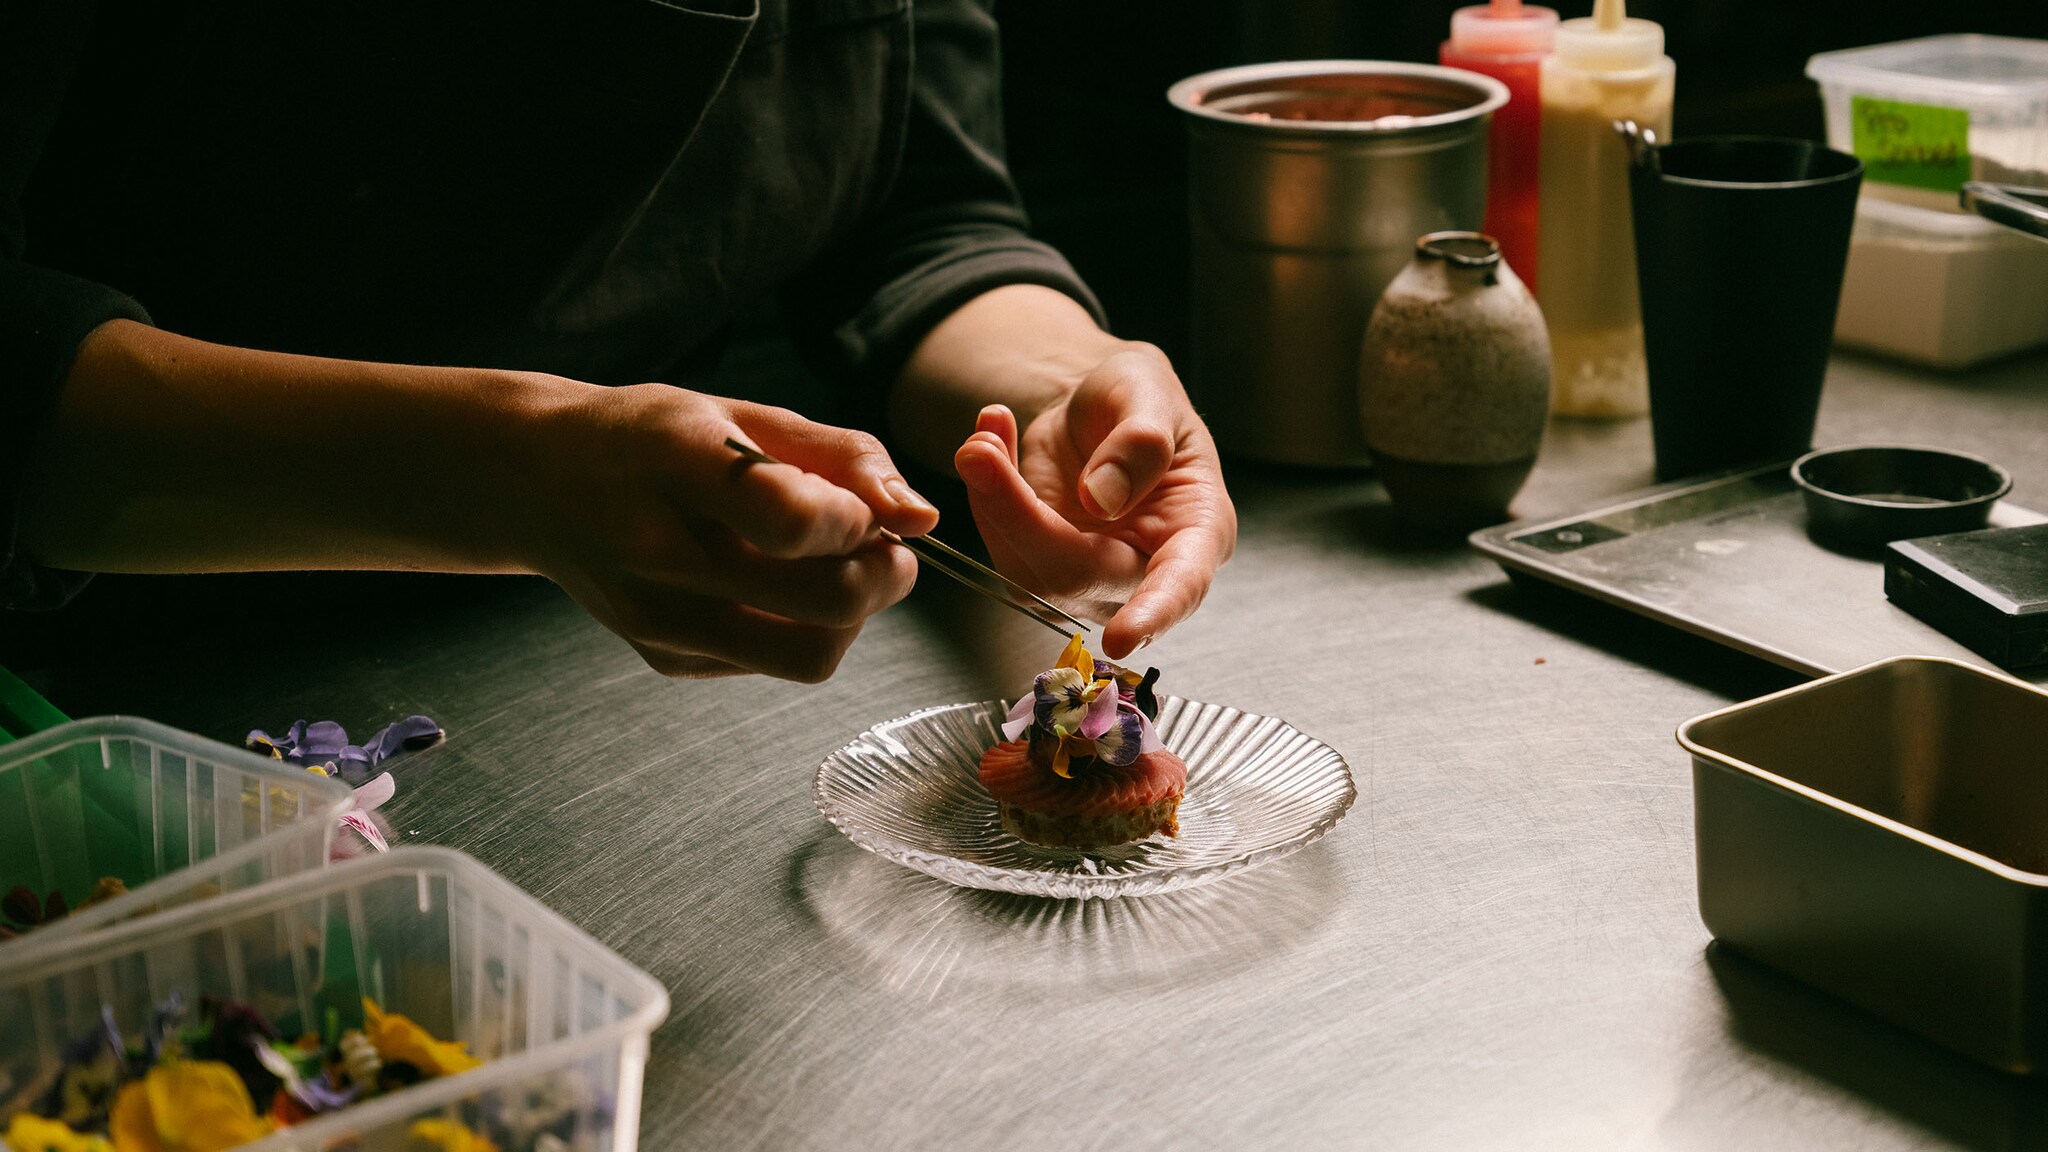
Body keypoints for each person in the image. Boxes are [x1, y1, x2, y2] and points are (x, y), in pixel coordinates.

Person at [0, 0, 1235, 682]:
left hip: (578, 673)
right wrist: (507, 470)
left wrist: (1061, 388)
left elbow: (917, 205)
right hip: (121, 701)